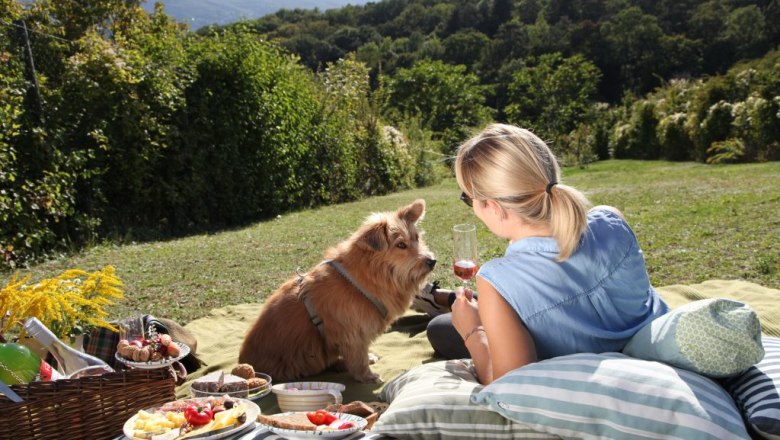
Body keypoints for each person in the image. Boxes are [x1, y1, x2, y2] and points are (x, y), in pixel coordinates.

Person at [421, 123, 669, 385]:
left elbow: (509, 387)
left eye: (467, 198)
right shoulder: (611, 219)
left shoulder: (496, 278)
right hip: (653, 344)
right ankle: (439, 298)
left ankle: (439, 300)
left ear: (492, 206)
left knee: (442, 329)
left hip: (600, 377)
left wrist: (473, 331)